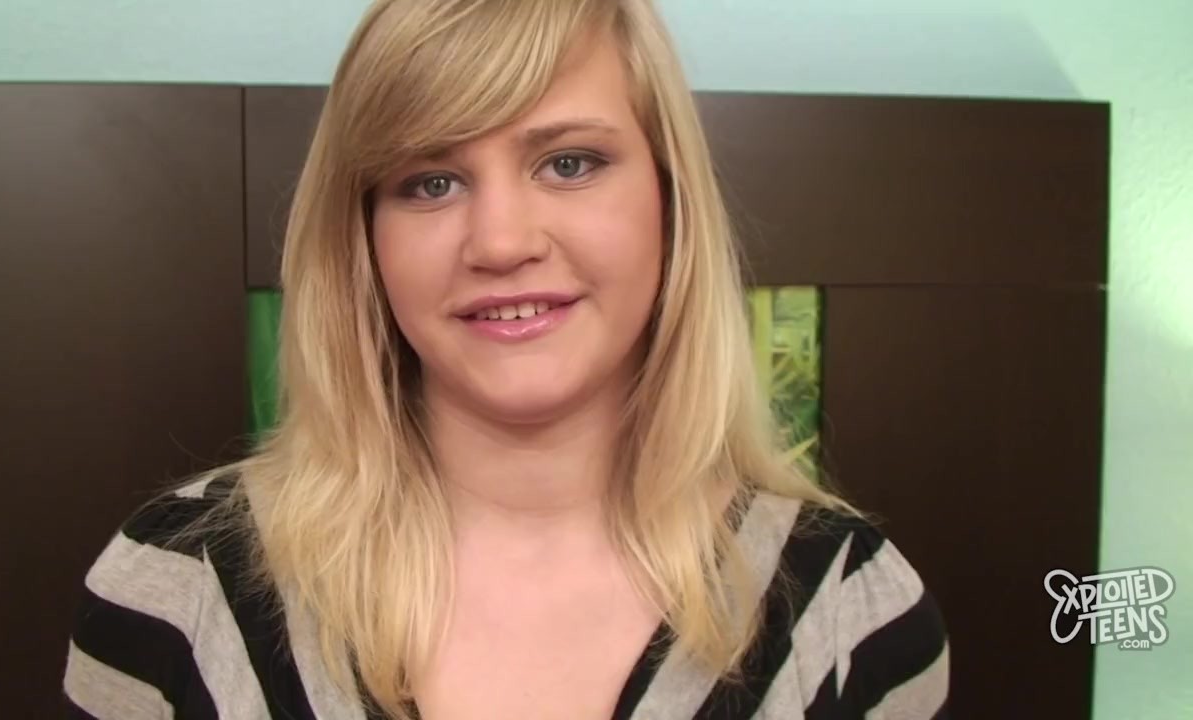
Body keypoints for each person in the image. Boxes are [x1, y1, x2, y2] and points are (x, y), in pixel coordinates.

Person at [62, 0, 949, 718]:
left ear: (670, 200)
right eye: (431, 182)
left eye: (569, 163)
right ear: (363, 240)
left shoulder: (854, 610)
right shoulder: (171, 588)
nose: (500, 241)